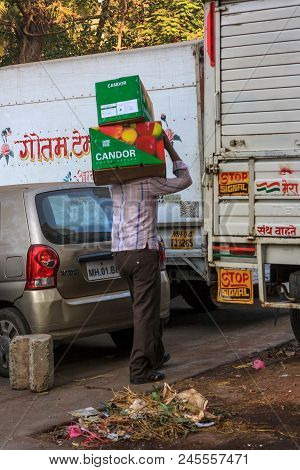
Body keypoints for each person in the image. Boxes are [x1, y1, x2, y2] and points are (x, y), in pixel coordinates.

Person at [111, 131, 192, 384]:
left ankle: (155, 355)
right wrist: (170, 149)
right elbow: (185, 180)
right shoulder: (148, 183)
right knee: (146, 314)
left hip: (120, 254)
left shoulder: (115, 184)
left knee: (146, 308)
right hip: (141, 253)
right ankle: (139, 370)